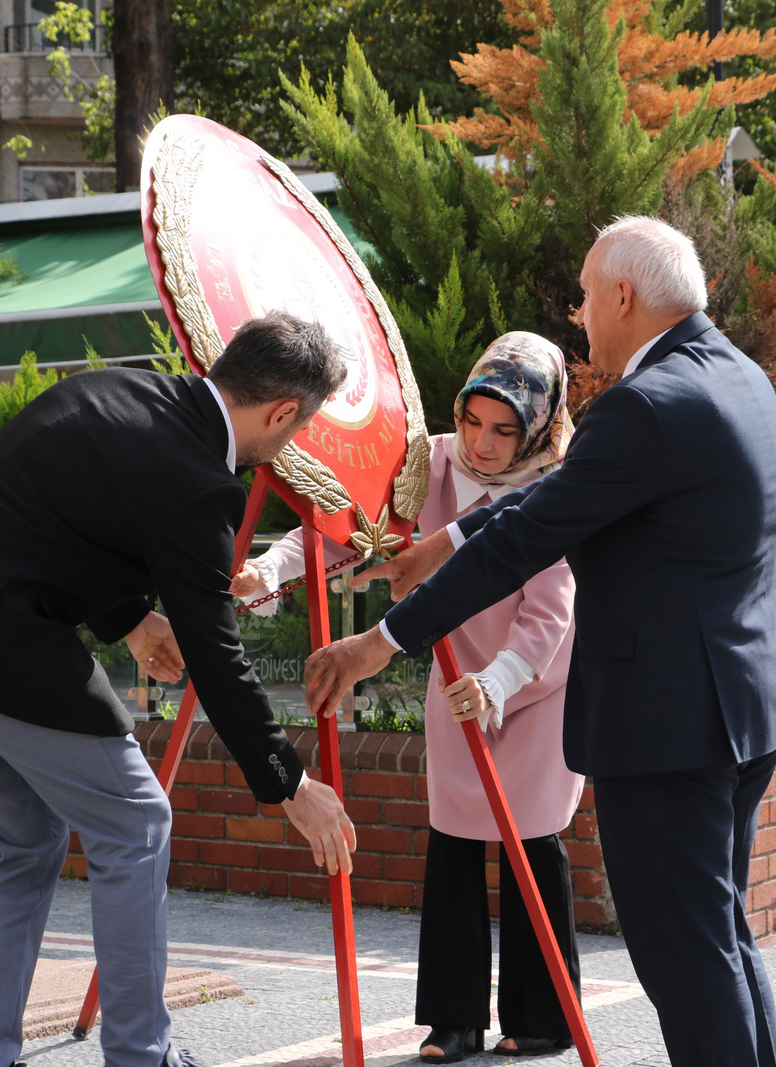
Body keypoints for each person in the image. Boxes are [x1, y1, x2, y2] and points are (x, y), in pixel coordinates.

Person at [305, 217, 776, 1066]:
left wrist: (379, 642)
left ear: (623, 295)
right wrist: (440, 543)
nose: (579, 314)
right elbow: (546, 502)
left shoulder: (644, 405)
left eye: (583, 293)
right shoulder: (736, 376)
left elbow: (526, 540)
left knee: (686, 959)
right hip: (743, 710)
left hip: (671, 730)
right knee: (718, 940)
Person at [0, 311, 358, 1067]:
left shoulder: (122, 387)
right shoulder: (199, 488)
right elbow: (217, 656)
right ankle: (141, 1056)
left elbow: (47, 513)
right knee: (138, 823)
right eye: (295, 430)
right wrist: (291, 781)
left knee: (25, 842)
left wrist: (129, 621)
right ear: (283, 411)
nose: (286, 446)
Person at [234, 333, 583, 1062]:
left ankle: (543, 1014)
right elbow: (348, 525)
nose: (484, 444)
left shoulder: (560, 480)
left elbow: (551, 610)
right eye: (476, 421)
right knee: (454, 838)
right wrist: (272, 569)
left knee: (532, 839)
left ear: (540, 427)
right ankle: (453, 1019)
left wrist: (502, 681)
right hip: (454, 671)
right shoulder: (430, 460)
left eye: (505, 429)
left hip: (536, 682)